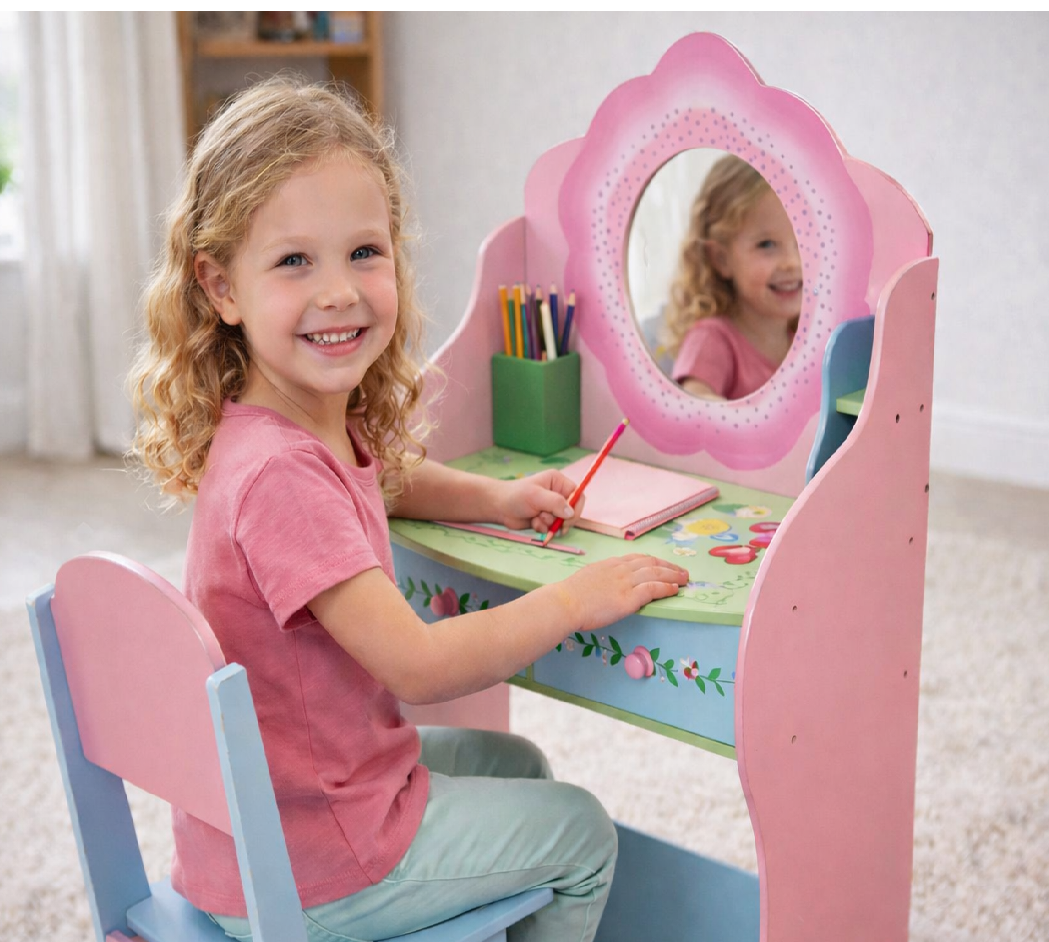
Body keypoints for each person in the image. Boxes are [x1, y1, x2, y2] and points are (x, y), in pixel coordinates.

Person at [129, 76, 689, 942]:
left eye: (364, 252)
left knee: (517, 765)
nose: (339, 291)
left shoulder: (282, 425)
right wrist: (574, 600)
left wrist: (497, 498)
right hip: (313, 862)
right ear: (220, 287)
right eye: (293, 261)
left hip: (279, 814)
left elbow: (383, 478)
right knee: (581, 833)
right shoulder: (280, 477)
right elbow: (419, 669)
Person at [658, 154, 802, 401]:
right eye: (766, 244)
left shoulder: (799, 341)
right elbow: (694, 401)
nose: (792, 262)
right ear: (722, 259)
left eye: (801, 242)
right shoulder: (712, 339)